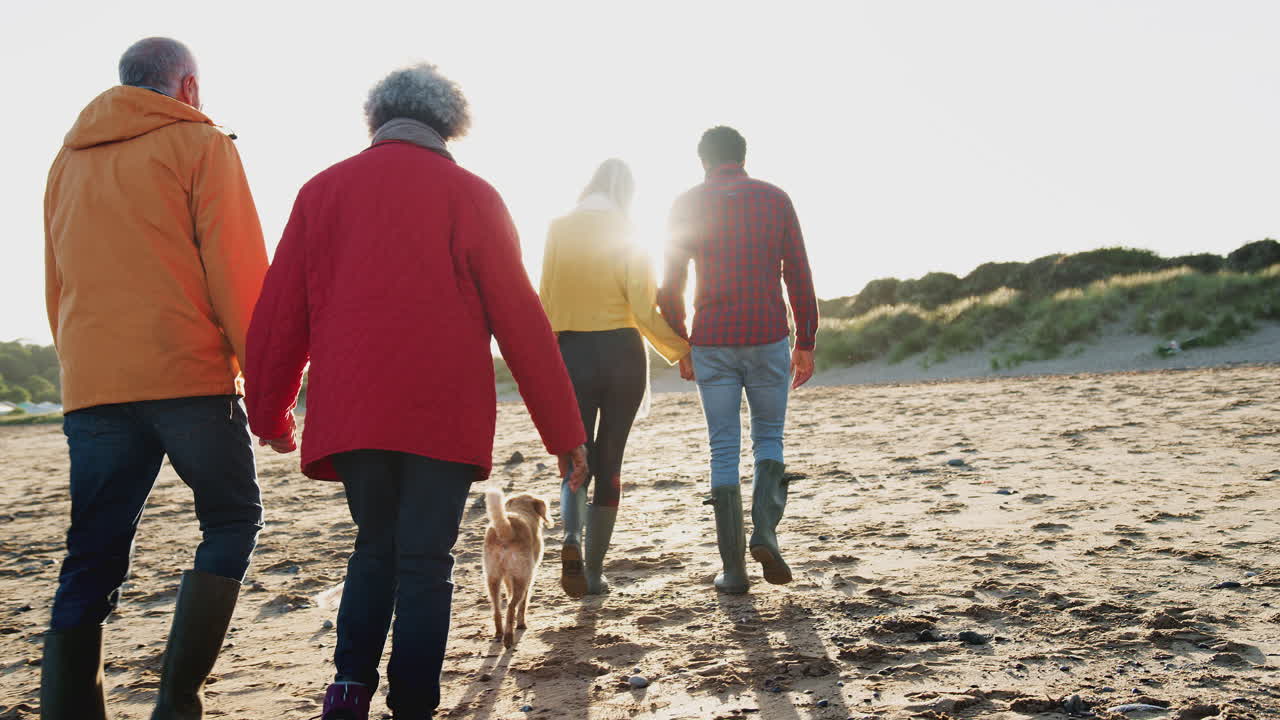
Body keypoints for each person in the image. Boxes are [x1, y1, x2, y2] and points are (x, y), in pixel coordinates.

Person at [244, 63, 588, 720]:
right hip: (442, 413)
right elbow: (522, 322)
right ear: (448, 126)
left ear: (377, 119)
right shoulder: (473, 195)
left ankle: (348, 688)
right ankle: (413, 705)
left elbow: (280, 311)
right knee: (425, 558)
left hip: (354, 410)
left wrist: (271, 410)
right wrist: (564, 434)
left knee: (375, 543)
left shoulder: (322, 191)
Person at [40, 37, 269, 720]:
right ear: (189, 86)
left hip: (94, 383)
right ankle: (176, 702)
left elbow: (56, 281)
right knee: (232, 517)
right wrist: (269, 386)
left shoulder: (66, 160)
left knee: (92, 555)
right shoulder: (202, 146)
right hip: (188, 376)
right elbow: (238, 273)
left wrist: (82, 368)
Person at [659, 126, 819, 594]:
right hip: (768, 334)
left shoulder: (686, 203)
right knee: (769, 437)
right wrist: (805, 339)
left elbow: (668, 284)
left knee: (723, 447)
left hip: (712, 340)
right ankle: (765, 532)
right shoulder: (774, 198)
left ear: (702, 160)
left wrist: (683, 341)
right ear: (742, 157)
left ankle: (734, 570)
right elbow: (799, 273)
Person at [539, 159, 691, 597]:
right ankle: (593, 572)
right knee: (611, 462)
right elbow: (644, 310)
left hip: (572, 355)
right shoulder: (627, 229)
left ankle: (570, 538)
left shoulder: (556, 229)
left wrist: (546, 366)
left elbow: (546, 303)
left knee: (575, 455)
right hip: (623, 355)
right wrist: (681, 350)